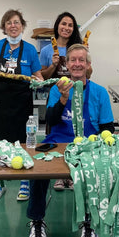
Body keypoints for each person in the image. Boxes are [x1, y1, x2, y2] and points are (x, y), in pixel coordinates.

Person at [27, 44, 114, 237]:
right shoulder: (58, 89)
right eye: (73, 60)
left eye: (81, 60)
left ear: (88, 65)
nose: (77, 64)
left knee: (97, 172)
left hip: (87, 143)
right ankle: (37, 222)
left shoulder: (100, 92)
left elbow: (108, 128)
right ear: (67, 64)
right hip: (57, 142)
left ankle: (89, 224)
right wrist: (64, 99)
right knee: (37, 171)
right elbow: (49, 120)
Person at [0, 9, 43, 201]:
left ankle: (24, 181)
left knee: (22, 142)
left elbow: (38, 75)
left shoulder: (30, 49)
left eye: (16, 22)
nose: (13, 26)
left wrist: (38, 81)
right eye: (9, 22)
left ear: (22, 26)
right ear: (4, 27)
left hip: (22, 102)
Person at [39, 11, 92, 191]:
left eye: (70, 25)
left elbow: (88, 74)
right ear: (57, 26)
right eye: (64, 24)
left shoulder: (78, 47)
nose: (66, 28)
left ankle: (73, 174)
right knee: (56, 130)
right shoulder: (47, 50)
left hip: (77, 92)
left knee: (76, 129)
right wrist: (54, 65)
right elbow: (42, 76)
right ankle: (59, 175)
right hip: (57, 94)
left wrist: (86, 65)